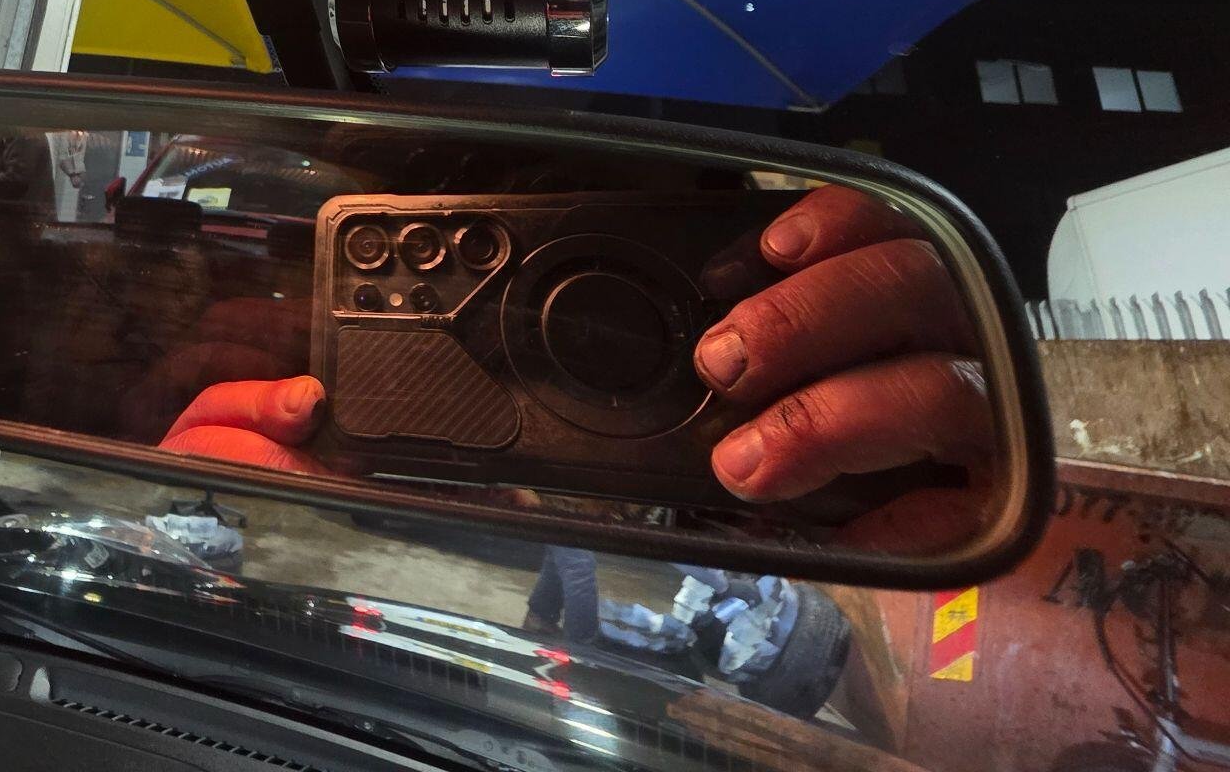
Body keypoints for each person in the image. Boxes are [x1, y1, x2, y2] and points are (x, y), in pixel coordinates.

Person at [155, 183, 991, 550]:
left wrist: (978, 472)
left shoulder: (805, 405)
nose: (595, 337)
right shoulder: (350, 447)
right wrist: (184, 508)